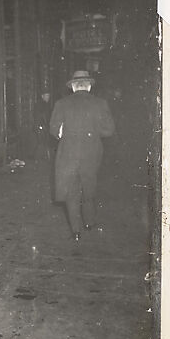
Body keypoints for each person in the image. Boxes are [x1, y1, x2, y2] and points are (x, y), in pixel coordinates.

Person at [49, 70, 115, 241]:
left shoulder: (61, 103)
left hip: (68, 153)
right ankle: (89, 222)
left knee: (72, 191)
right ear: (89, 86)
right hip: (91, 153)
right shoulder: (100, 103)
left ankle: (76, 230)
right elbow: (109, 131)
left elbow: (54, 130)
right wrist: (92, 131)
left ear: (72, 87)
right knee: (89, 186)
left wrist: (64, 132)